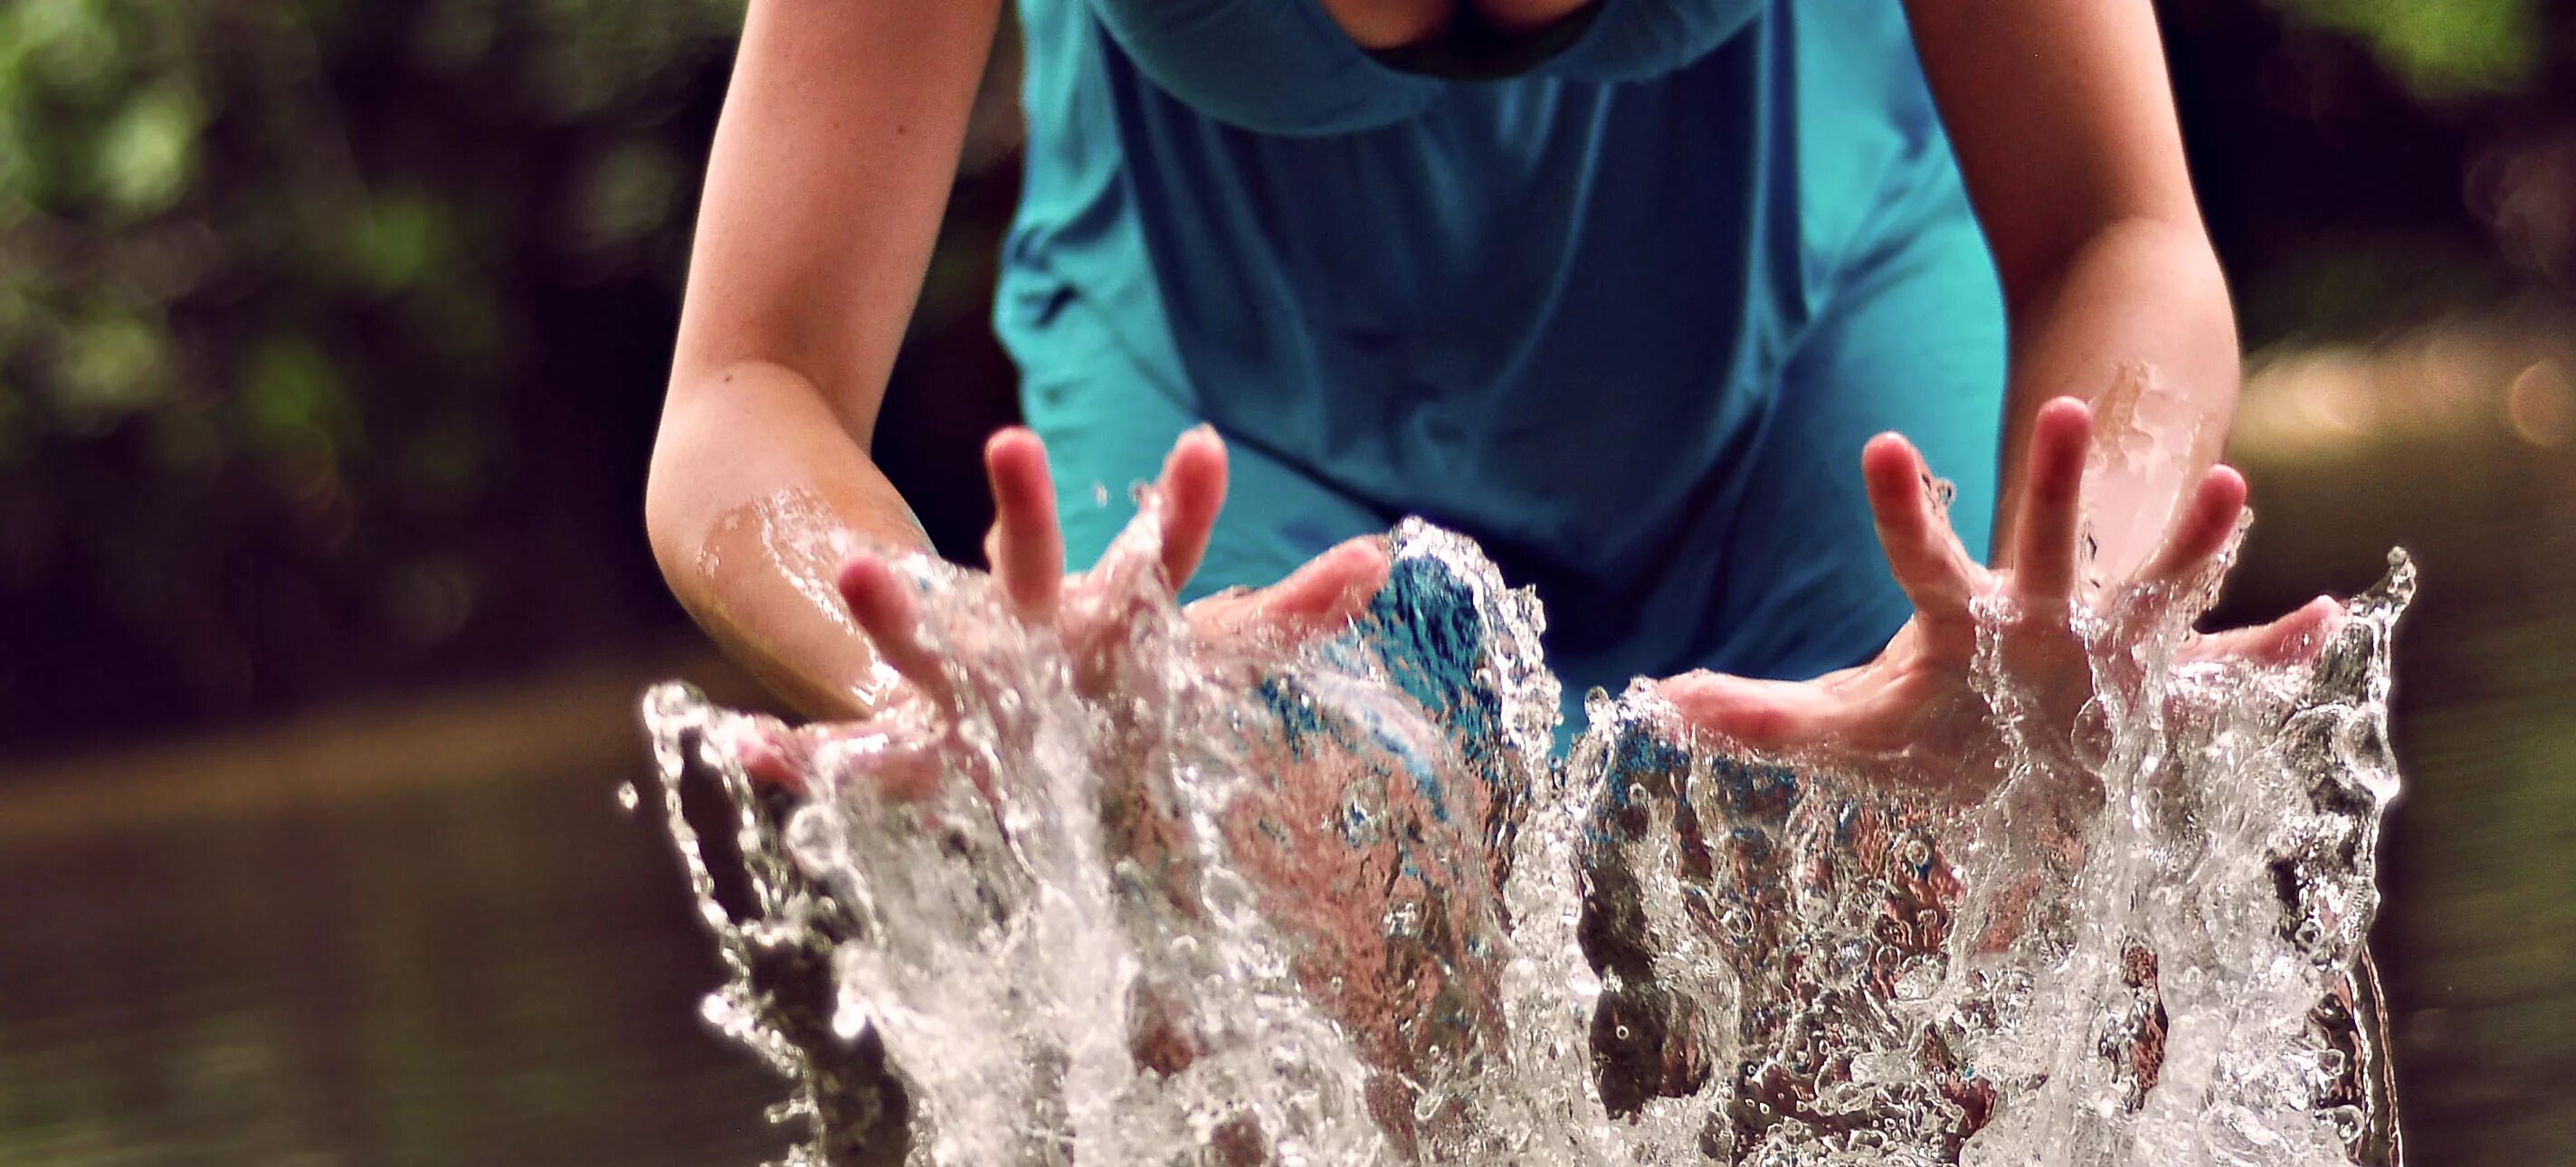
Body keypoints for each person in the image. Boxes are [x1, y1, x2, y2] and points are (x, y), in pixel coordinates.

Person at [643, 0, 2338, 768]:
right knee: (1284, 1066)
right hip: (1228, 380)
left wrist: (2080, 594)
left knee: (1936, 967)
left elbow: (2118, 230)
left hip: (1816, 308)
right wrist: (947, 661)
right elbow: (746, 386)